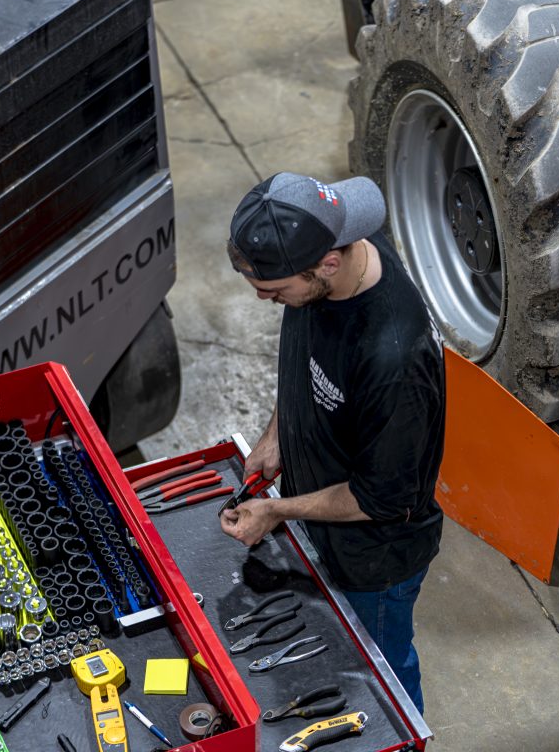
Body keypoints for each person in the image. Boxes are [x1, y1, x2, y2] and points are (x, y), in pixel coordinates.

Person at [220, 172, 445, 715]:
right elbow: (305, 357)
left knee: (379, 683)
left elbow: (378, 498)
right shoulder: (329, 241)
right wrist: (277, 436)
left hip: (374, 559)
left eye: (275, 291)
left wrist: (274, 510)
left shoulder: (394, 358)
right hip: (323, 524)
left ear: (328, 263)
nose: (265, 300)